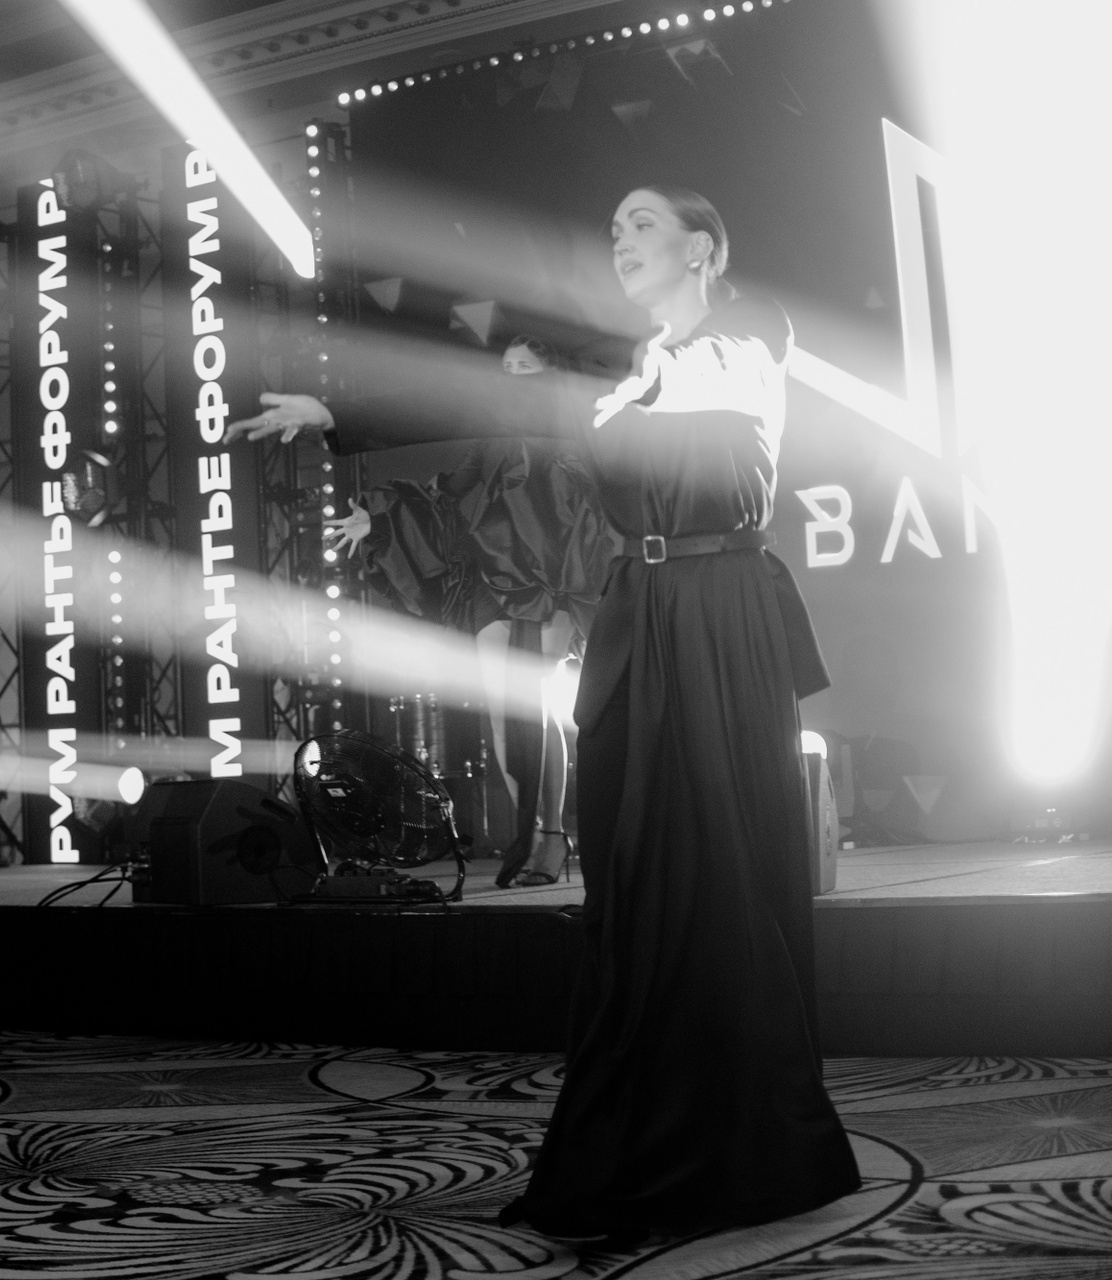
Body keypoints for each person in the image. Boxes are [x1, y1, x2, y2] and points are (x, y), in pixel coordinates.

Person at [232, 186, 860, 1236]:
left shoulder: (748, 334)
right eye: (614, 226)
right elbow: (494, 409)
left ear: (704, 249)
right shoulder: (628, 371)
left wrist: (571, 377)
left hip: (720, 612)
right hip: (643, 615)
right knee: (633, 869)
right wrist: (341, 416)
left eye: (645, 222)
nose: (622, 235)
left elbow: (671, 394)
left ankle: (754, 1137)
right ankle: (641, 1125)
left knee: (723, 866)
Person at [316, 334, 609, 885]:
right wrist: (377, 517)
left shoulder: (576, 424)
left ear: (550, 372)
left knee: (534, 708)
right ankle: (529, 835)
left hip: (549, 580)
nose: (514, 376)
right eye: (507, 367)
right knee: (503, 715)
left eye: (526, 367)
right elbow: (446, 492)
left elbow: (598, 499)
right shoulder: (491, 433)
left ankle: (552, 836)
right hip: (493, 580)